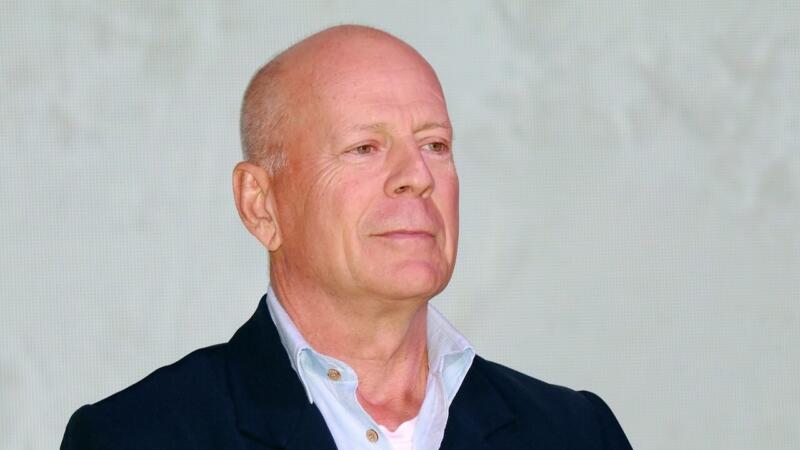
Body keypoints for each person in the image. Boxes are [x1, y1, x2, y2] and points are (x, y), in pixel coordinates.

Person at [61, 25, 633, 450]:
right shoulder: (135, 436)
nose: (418, 175)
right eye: (365, 148)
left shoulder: (577, 433)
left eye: (434, 145)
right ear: (261, 204)